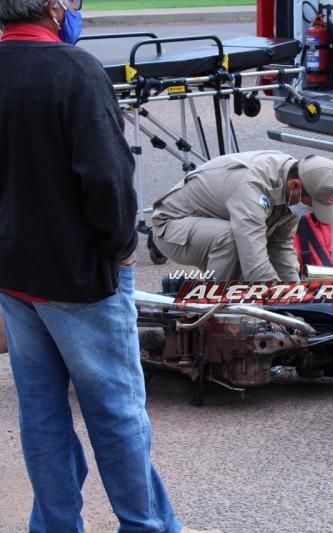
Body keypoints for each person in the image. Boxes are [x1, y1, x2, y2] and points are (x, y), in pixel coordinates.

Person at [0, 0, 190, 531]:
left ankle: (56, 525)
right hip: (81, 278)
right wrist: (122, 244)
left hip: (15, 276)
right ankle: (145, 525)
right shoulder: (75, 69)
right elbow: (107, 174)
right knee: (117, 415)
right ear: (53, 8)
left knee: (42, 416)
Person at [152, 151, 333, 282]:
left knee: (245, 250)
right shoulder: (252, 188)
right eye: (312, 204)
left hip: (213, 223)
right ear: (295, 186)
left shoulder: (295, 185)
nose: (310, 211)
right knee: (231, 240)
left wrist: (295, 293)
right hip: (172, 226)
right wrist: (281, 301)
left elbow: (280, 245)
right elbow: (255, 267)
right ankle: (219, 311)